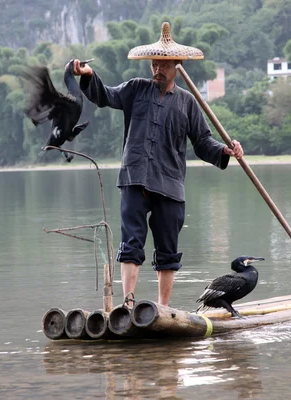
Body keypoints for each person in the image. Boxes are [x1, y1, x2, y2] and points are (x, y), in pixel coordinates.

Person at [71, 22, 244, 307]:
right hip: (135, 178)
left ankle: (162, 308)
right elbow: (106, 95)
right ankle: (128, 302)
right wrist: (89, 75)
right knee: (131, 244)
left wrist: (226, 150)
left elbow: (202, 142)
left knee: (168, 250)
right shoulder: (136, 89)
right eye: (154, 64)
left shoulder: (188, 103)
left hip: (171, 185)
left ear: (176, 65)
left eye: (163, 65)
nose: (157, 70)